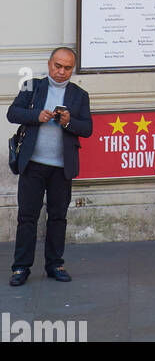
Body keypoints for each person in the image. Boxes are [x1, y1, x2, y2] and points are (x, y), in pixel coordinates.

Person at [7, 47, 92, 285]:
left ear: (72, 69)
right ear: (49, 64)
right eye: (57, 66)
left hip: (62, 168)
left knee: (58, 217)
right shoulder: (31, 86)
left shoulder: (79, 95)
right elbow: (12, 113)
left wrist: (68, 122)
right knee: (27, 218)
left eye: (67, 68)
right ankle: (21, 267)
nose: (61, 72)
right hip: (32, 164)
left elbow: (87, 129)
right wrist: (37, 117)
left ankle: (55, 264)